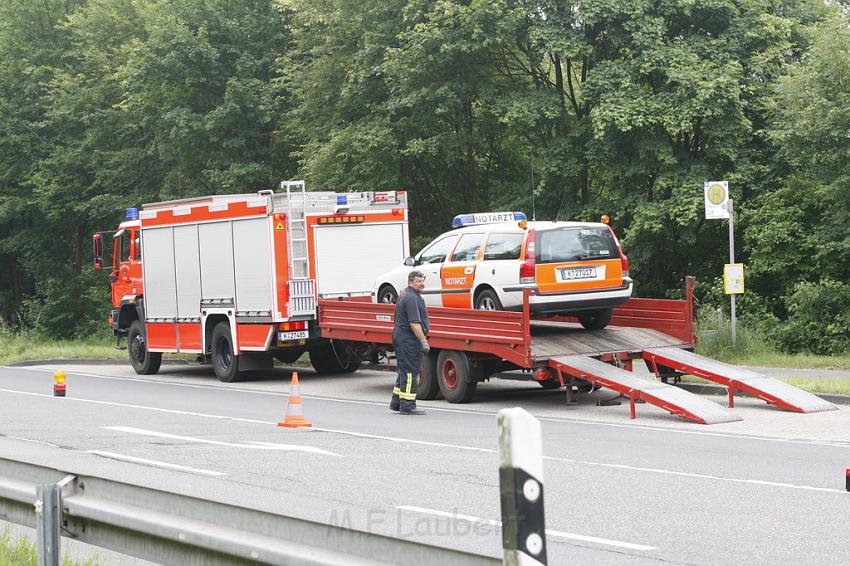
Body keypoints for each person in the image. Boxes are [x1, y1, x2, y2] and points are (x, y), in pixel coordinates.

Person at [389, 270, 430, 415]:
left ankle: (397, 402)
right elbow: (414, 323)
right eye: (419, 281)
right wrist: (423, 341)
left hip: (401, 337)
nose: (422, 284)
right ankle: (408, 405)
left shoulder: (404, 293)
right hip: (408, 340)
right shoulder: (412, 297)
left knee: (403, 371)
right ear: (411, 282)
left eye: (423, 281)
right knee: (411, 372)